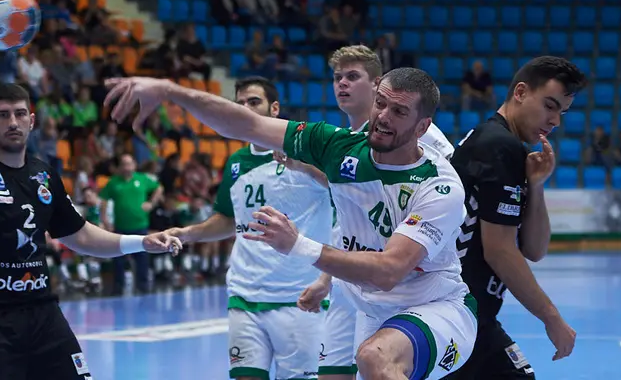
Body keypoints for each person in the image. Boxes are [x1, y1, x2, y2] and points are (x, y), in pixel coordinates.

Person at [105, 68, 478, 380]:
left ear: (422, 126)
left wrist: (297, 244)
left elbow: (388, 271)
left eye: (398, 111)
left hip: (436, 307)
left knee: (375, 359)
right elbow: (247, 124)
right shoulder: (338, 146)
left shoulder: (438, 185)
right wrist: (171, 91)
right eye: (381, 103)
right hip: (371, 311)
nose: (382, 116)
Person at [0, 83, 182, 380]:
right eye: (3, 115)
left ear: (32, 121)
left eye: (20, 114)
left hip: (44, 315)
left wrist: (142, 242)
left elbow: (80, 235)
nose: (13, 122)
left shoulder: (43, 175)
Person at [296, 45, 456, 379]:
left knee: (383, 363)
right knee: (334, 373)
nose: (342, 84)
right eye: (337, 77)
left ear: (377, 83)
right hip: (352, 278)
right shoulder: (347, 142)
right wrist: (327, 278)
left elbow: (443, 206)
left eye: (352, 77)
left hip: (405, 281)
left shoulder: (424, 138)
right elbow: (353, 217)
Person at [165, 76, 333, 380]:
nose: (244, 108)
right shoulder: (236, 162)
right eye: (239, 103)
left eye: (253, 102)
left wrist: (303, 165)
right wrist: (187, 234)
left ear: (275, 108)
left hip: (299, 298)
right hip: (244, 294)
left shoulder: (306, 151)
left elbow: (344, 190)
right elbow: (228, 221)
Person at [443, 56, 587, 379]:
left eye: (561, 113)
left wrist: (535, 186)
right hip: (458, 313)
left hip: (473, 316)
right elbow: (500, 250)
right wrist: (551, 316)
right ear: (520, 92)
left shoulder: (502, 145)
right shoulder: (499, 146)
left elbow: (534, 249)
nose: (555, 122)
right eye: (549, 106)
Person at [100, 153, 164, 295]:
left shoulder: (142, 179)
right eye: (124, 164)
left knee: (142, 258)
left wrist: (151, 203)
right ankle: (118, 287)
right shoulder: (113, 182)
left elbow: (159, 188)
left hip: (140, 226)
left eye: (129, 164)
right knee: (118, 259)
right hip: (120, 227)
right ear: (120, 167)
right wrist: (105, 220)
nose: (127, 167)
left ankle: (143, 286)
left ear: (134, 165)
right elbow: (103, 201)